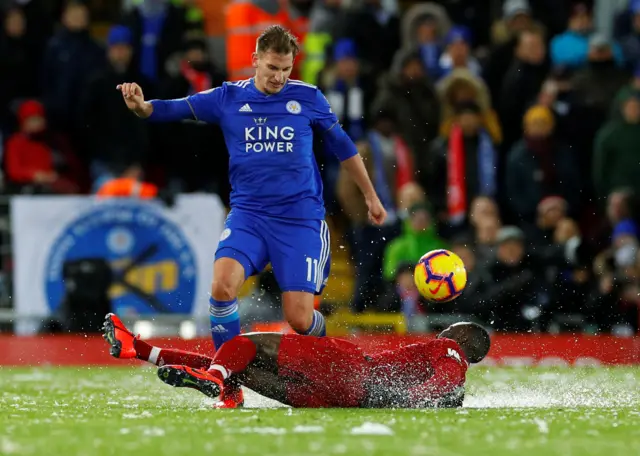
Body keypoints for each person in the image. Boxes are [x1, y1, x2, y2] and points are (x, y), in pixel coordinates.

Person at [116, 25, 387, 408]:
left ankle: (330, 372)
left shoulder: (308, 98)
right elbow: (175, 107)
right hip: (249, 216)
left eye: (286, 69)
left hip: (300, 222)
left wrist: (372, 197)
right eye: (272, 67)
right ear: (255, 60)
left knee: (299, 318)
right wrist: (143, 107)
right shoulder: (228, 97)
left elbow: (344, 148)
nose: (279, 77)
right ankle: (228, 387)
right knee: (222, 288)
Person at [103, 313, 491, 408]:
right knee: (231, 364)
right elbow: (444, 390)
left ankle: (220, 384)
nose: (443, 336)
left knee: (243, 343)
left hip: (352, 368)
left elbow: (442, 381)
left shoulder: (451, 352)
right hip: (341, 400)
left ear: (460, 338)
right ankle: (138, 349)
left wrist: (412, 400)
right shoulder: (455, 373)